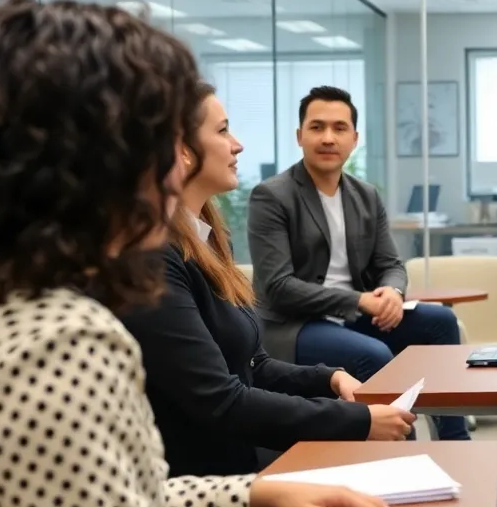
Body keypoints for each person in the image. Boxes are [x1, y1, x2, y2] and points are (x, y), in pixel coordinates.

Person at [0, 0, 411, 507]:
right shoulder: (61, 347)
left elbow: (121, 503)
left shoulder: (15, 305)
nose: (174, 164)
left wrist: (256, 496)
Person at [121, 83, 417, 478]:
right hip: (209, 484)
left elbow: (252, 364)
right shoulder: (156, 259)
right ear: (183, 151)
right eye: (223, 131)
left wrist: (327, 377)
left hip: (236, 456)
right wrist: (358, 422)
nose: (238, 145)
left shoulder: (208, 240)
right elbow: (222, 401)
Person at [248, 86, 468, 441]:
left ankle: (455, 440)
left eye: (339, 128)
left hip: (352, 317)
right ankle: (402, 453)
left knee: (440, 322)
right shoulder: (272, 196)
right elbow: (279, 287)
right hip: (296, 324)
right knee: (373, 354)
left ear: (354, 138)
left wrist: (393, 292)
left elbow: (391, 263)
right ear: (300, 136)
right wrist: (360, 300)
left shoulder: (365, 195)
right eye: (317, 127)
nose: (328, 138)